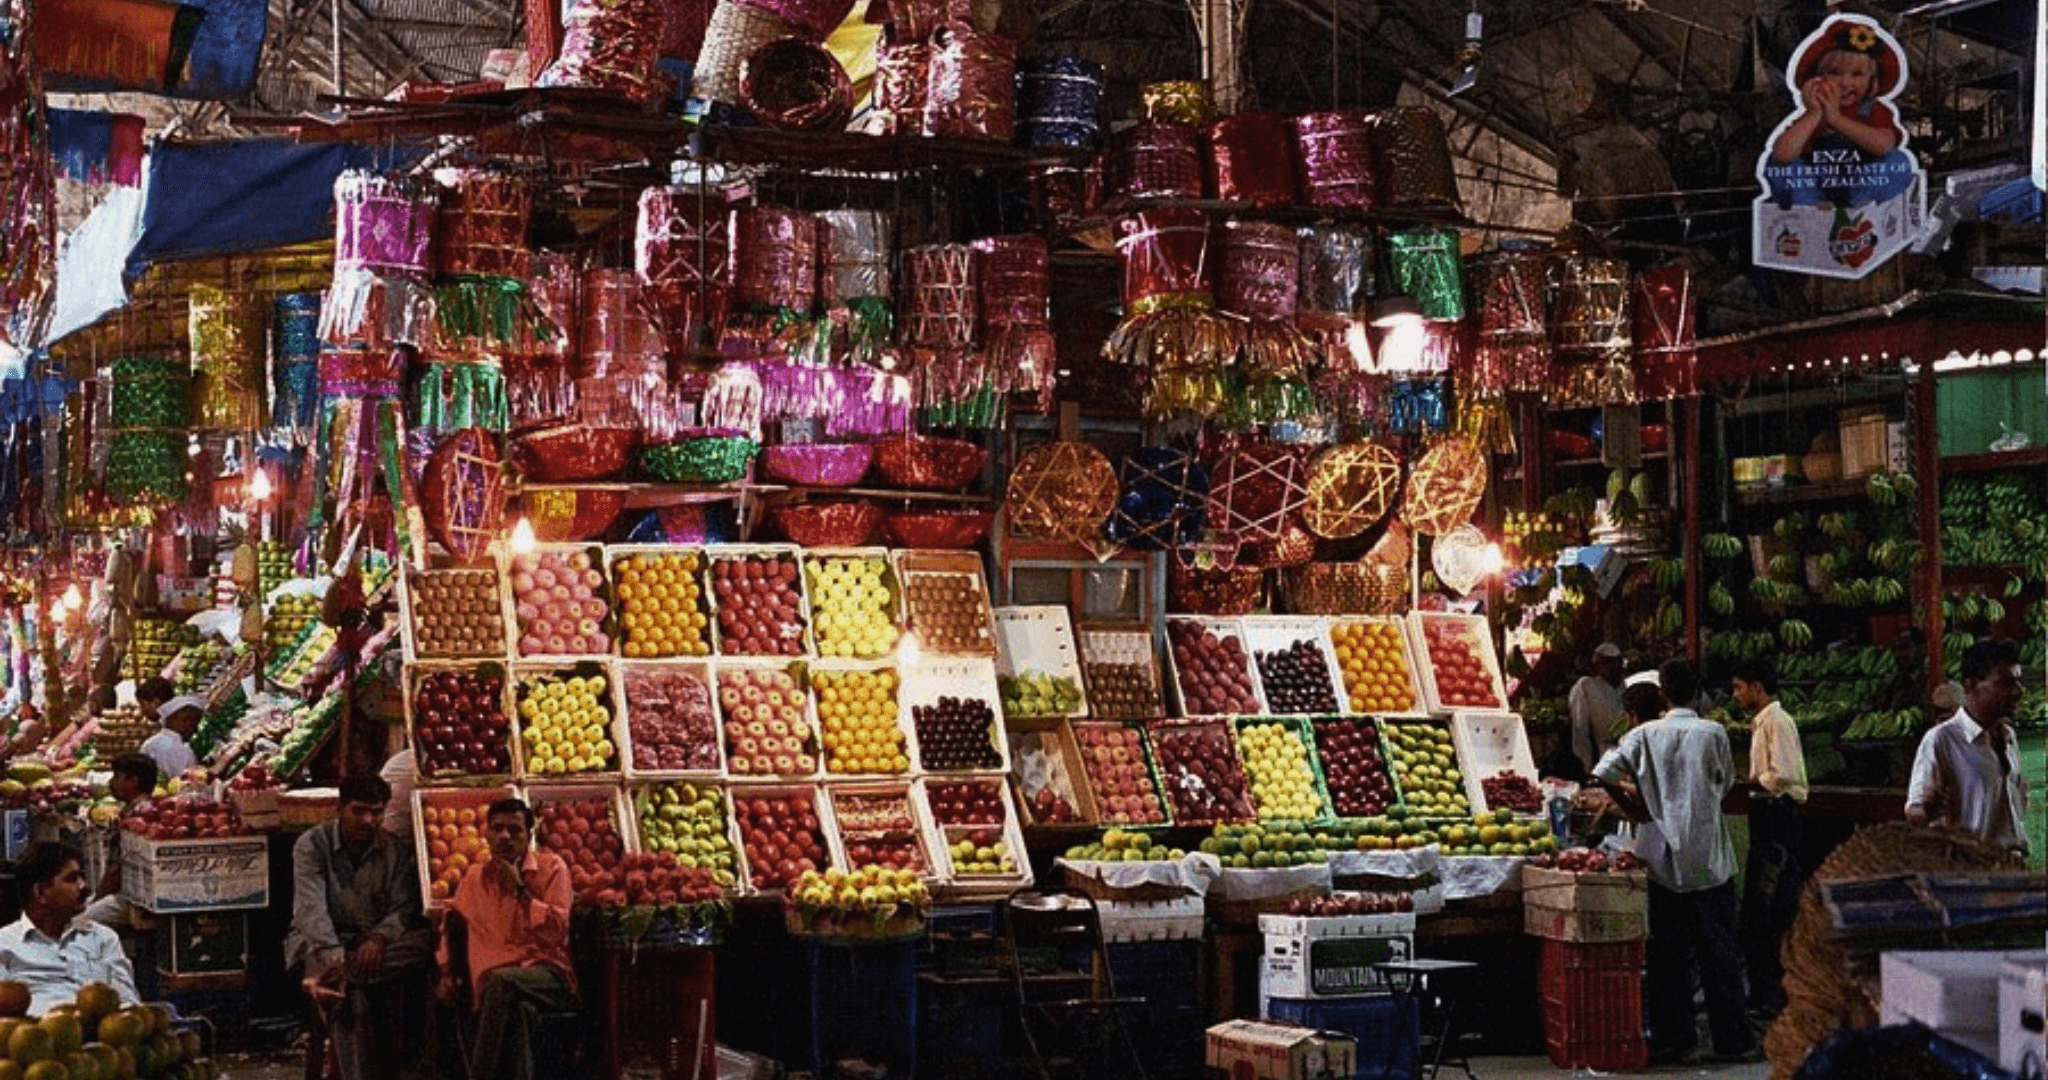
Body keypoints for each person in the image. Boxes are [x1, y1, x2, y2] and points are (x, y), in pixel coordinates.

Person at [1593, 659, 1756, 1066]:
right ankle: (1733, 1041)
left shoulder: (1645, 734)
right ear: (1698, 692)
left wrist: (1636, 809)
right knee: (1719, 955)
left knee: (1669, 958)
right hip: (1710, 858)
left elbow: (1603, 772)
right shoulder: (1713, 732)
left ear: (1663, 693)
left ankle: (1677, 1042)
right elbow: (1725, 781)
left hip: (1663, 862)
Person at [286, 775, 436, 1080]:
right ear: (340, 808)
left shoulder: (393, 849)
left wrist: (379, 938)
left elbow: (402, 907)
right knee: (347, 996)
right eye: (359, 811)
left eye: (376, 812)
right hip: (320, 943)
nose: (368, 820)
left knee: (429, 942)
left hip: (373, 947)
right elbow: (311, 910)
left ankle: (330, 981)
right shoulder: (312, 845)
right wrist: (336, 957)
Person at [439, 798, 576, 1080]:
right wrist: (447, 972)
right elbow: (452, 923)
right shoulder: (475, 878)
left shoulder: (552, 868)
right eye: (497, 829)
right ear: (487, 835)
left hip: (547, 974)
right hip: (496, 989)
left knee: (502, 982)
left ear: (529, 836)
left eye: (514, 830)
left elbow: (557, 931)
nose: (505, 837)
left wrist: (520, 890)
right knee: (518, 1011)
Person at [1764, 16, 1915, 209]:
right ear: (1818, 78)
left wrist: (1836, 119)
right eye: (1835, 73)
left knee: (1897, 161)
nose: (1845, 83)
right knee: (1777, 164)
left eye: (1857, 75)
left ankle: (1860, 209)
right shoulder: (1813, 112)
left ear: (1872, 82)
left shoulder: (1872, 110)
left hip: (1859, 189)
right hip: (1817, 193)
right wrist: (1814, 115)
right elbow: (1782, 155)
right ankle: (1810, 211)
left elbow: (1884, 145)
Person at [1731, 658, 1807, 1019]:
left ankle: (1774, 994)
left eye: (1739, 687)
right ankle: (1764, 992)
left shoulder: (1777, 722)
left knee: (1772, 907)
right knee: (1760, 909)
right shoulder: (1763, 723)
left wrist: (1750, 782)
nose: (1736, 694)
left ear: (1757, 687)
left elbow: (1784, 775)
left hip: (1778, 817)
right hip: (1766, 816)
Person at [1905, 640, 2030, 858]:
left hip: (2010, 865)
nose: (2018, 691)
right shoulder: (1941, 740)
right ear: (1971, 686)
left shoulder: (2008, 736)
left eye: (2018, 682)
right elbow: (1913, 813)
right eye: (2005, 683)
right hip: (1969, 872)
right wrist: (1928, 810)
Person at [0, 841, 143, 1014]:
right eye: (72, 879)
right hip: (31, 1036)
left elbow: (128, 1001)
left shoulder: (103, 939)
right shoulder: (5, 944)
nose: (82, 886)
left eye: (82, 878)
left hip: (101, 1036)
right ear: (41, 892)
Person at [83, 752, 159, 930]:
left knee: (77, 922)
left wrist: (95, 899)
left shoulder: (133, 819)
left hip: (130, 899)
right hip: (137, 896)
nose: (111, 783)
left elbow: (115, 875)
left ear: (133, 781)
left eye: (117, 777)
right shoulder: (148, 810)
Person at [1568, 643, 1626, 774]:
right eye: (1608, 664)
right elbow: (1580, 729)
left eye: (1617, 663)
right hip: (1604, 751)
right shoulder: (1586, 686)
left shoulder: (1625, 686)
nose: (1614, 668)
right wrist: (1586, 766)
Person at [140, 695, 202, 779]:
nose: (191, 726)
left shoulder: (148, 744)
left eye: (195, 722)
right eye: (186, 719)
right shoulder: (185, 751)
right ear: (170, 719)